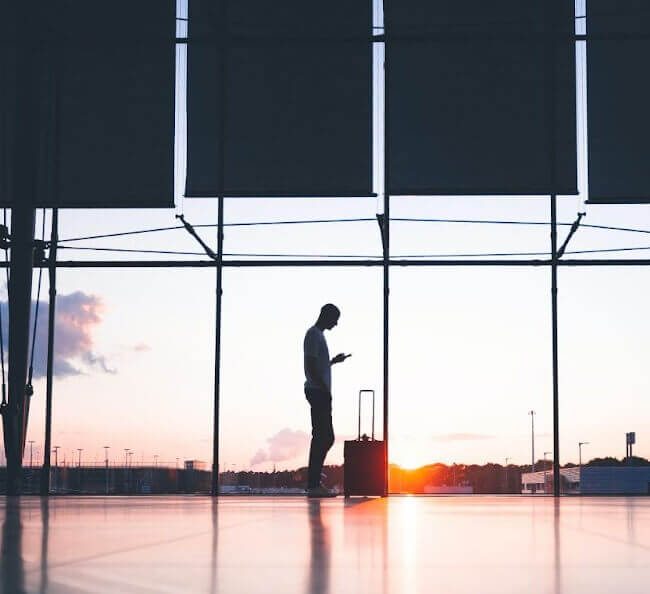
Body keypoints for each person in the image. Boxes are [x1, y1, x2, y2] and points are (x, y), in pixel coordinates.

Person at [303, 304, 350, 497]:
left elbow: (317, 364)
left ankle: (314, 479)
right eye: (335, 319)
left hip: (319, 390)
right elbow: (310, 364)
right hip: (318, 391)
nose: (336, 323)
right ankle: (313, 483)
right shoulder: (313, 335)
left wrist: (332, 362)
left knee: (323, 436)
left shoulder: (318, 335)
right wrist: (322, 387)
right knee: (323, 437)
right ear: (326, 316)